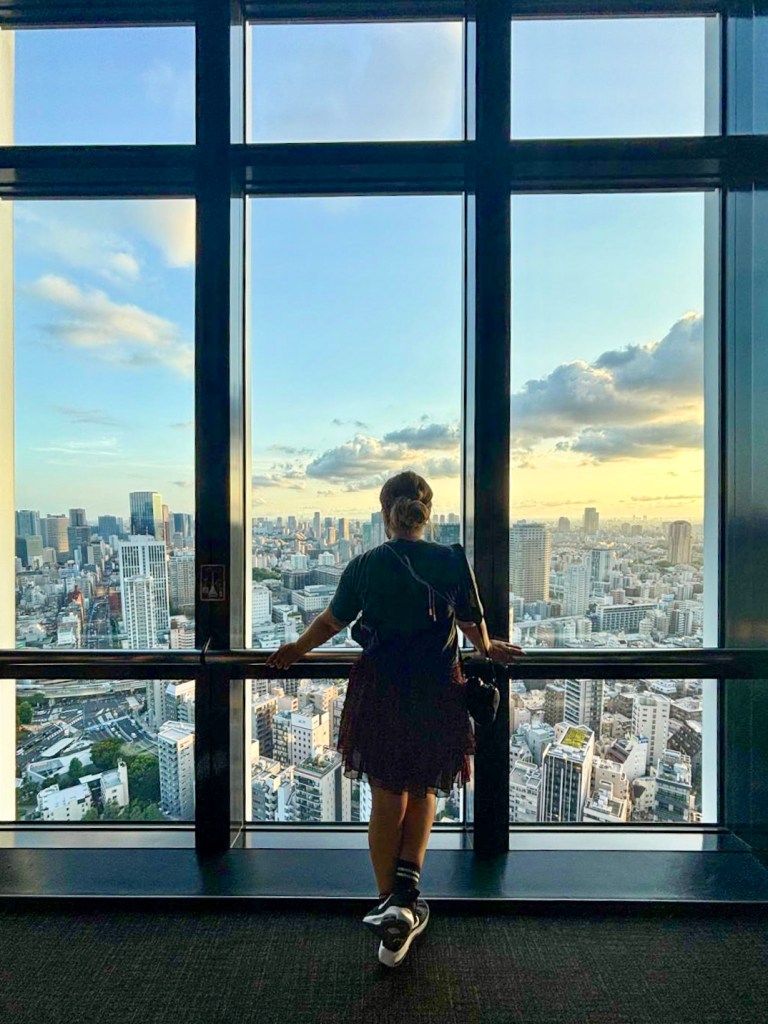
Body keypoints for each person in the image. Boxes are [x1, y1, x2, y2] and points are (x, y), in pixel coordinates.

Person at [266, 471, 523, 967]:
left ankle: (390, 904)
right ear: (427, 513)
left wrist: (296, 649)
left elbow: (331, 621)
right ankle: (406, 900)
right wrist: (489, 648)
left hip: (381, 691)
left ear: (386, 514)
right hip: (436, 691)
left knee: (387, 797)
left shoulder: (365, 565)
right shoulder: (450, 560)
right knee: (424, 789)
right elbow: (471, 622)